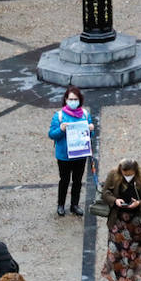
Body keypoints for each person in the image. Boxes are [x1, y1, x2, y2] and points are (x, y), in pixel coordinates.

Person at [99, 158, 141, 281]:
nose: (127, 176)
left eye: (130, 174)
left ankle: (132, 279)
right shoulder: (113, 175)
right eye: (125, 173)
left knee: (135, 251)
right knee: (116, 251)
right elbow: (105, 193)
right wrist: (115, 201)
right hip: (118, 220)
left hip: (137, 221)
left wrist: (139, 203)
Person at [48, 85, 90, 216]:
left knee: (77, 181)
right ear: (66, 99)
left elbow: (89, 136)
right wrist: (61, 129)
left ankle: (74, 205)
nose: (73, 101)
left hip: (80, 155)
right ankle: (61, 205)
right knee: (64, 181)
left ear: (79, 100)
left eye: (75, 99)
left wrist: (91, 129)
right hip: (64, 156)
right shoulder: (59, 116)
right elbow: (51, 134)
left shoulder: (85, 114)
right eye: (70, 99)